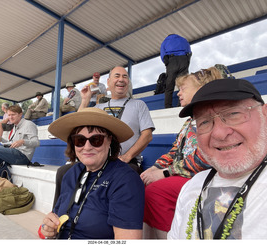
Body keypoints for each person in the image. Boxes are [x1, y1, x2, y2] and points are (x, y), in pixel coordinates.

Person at [168, 78, 267, 239]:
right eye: (205, 122)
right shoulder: (191, 187)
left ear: (265, 115)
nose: (219, 133)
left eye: (234, 113)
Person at [53, 66, 154, 205]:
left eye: (125, 76)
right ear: (108, 82)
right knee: (63, 172)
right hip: (96, 160)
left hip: (124, 161)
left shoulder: (138, 105)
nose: (121, 79)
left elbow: (147, 135)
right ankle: (57, 216)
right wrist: (85, 100)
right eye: (117, 76)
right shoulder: (99, 107)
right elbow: (79, 124)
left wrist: (127, 156)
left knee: (131, 172)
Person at [141, 67, 222, 239]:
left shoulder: (213, 117)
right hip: (183, 175)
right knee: (143, 185)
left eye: (183, 89)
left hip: (203, 177)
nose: (178, 93)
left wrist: (165, 172)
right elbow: (174, 151)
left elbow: (204, 158)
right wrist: (154, 168)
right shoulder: (188, 122)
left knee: (156, 191)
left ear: (201, 88)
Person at [39, 107, 145, 239]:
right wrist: (48, 228)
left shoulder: (125, 180)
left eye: (96, 140)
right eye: (80, 140)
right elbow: (55, 216)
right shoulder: (70, 173)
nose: (87, 147)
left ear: (109, 140)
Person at [160, 34, 192, 108]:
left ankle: (168, 106)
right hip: (183, 59)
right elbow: (189, 51)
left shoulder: (165, 41)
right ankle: (181, 104)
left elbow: (163, 53)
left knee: (169, 85)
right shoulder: (184, 39)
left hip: (172, 61)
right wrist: (187, 61)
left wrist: (166, 62)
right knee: (183, 84)